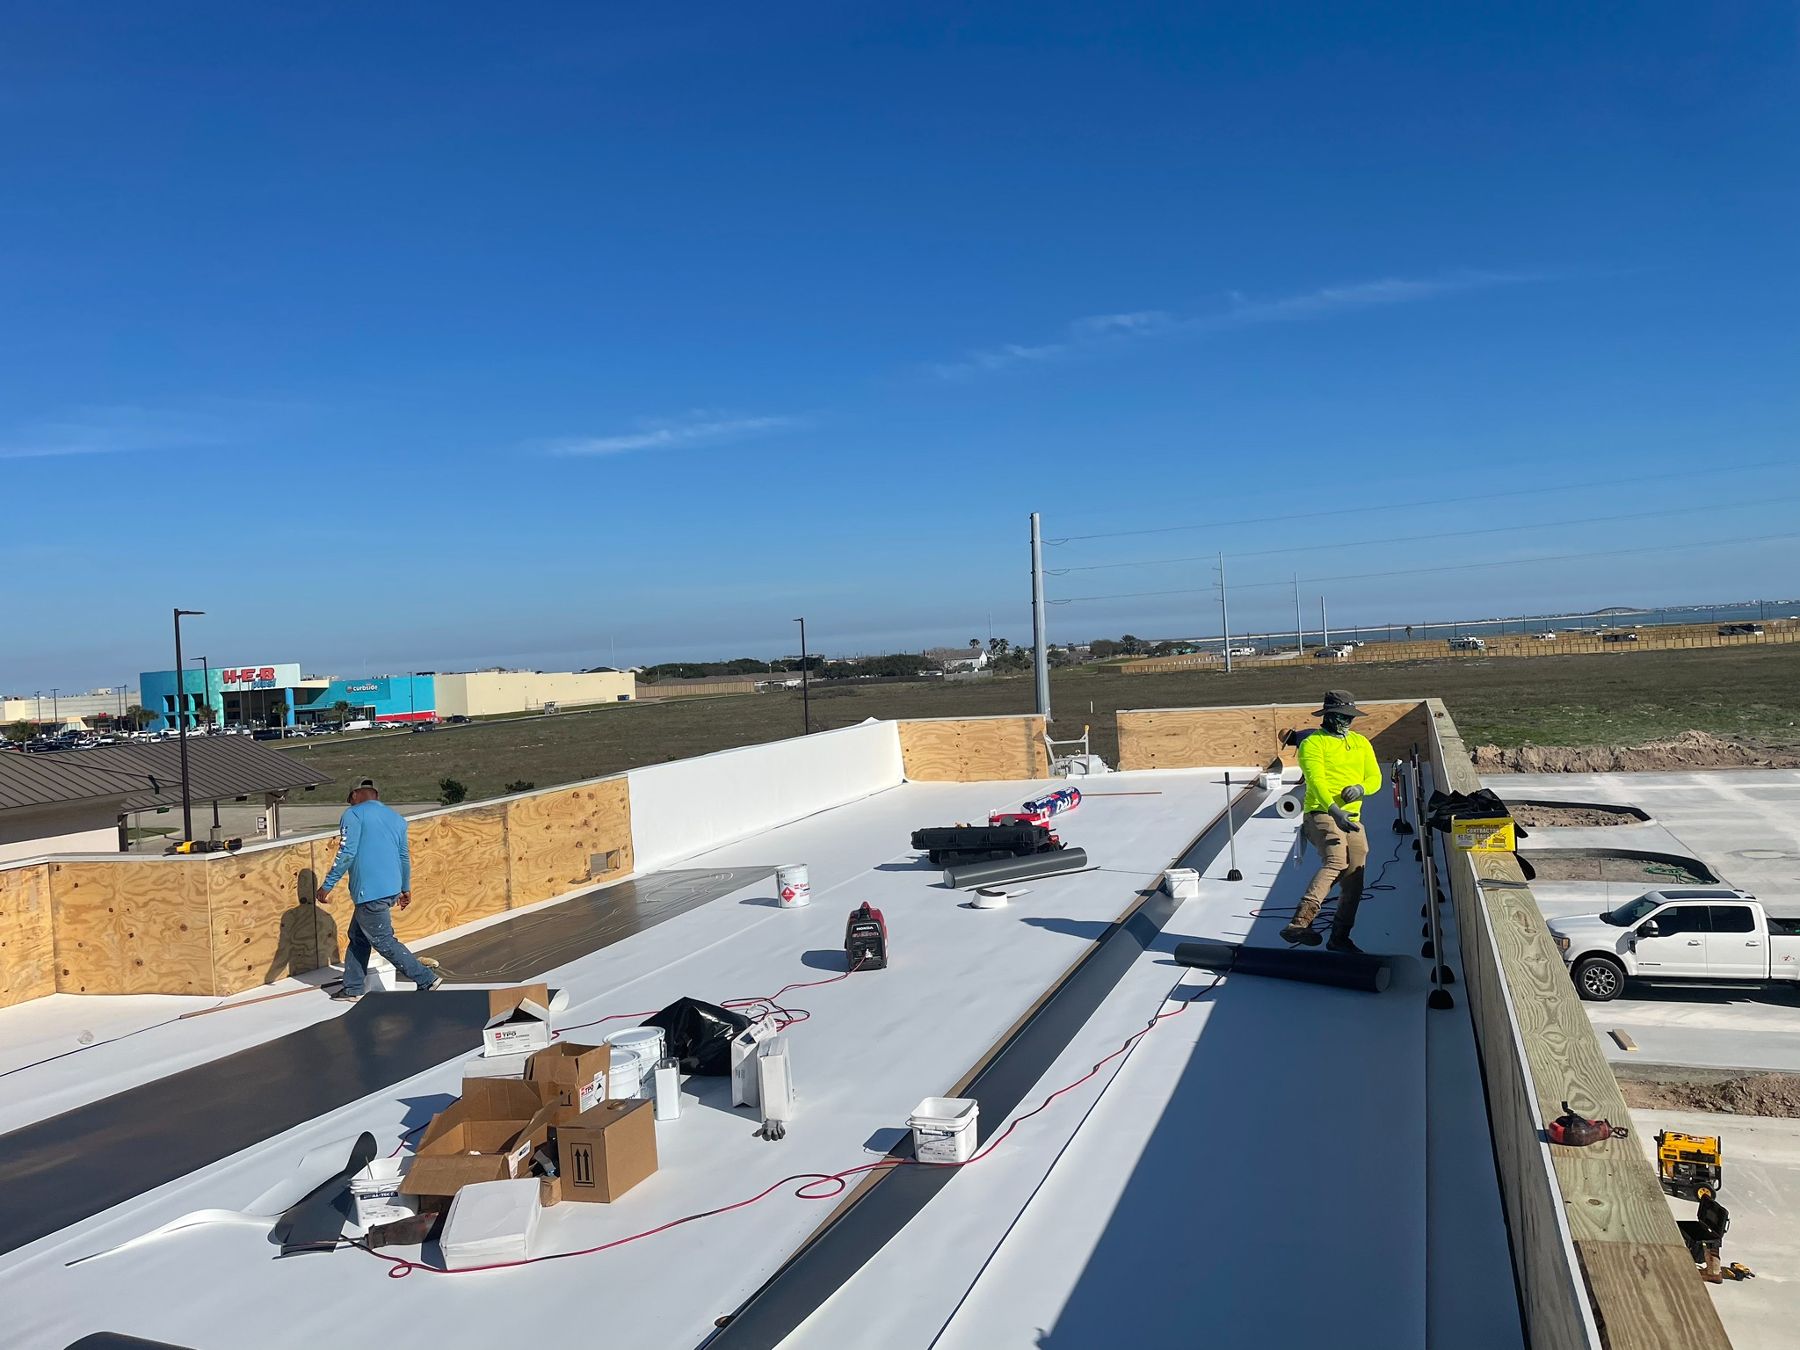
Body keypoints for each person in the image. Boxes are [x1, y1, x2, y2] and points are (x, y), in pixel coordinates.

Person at [316, 778, 442, 997]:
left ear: (354, 795)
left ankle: (426, 978)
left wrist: (327, 885)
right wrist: (404, 888)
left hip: (369, 891)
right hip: (390, 887)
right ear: (376, 795)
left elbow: (347, 853)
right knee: (358, 936)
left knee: (384, 941)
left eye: (350, 800)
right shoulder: (396, 818)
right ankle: (353, 987)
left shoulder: (352, 814)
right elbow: (403, 856)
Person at [1281, 691, 1383, 953]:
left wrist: (1361, 788)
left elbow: (1375, 778)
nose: (1346, 722)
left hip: (1353, 818)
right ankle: (1299, 923)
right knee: (1337, 859)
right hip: (1321, 813)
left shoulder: (1361, 743)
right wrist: (1334, 810)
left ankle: (1340, 938)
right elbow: (1316, 781)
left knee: (1355, 876)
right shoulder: (1313, 744)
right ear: (1327, 715)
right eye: (1341, 716)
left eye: (1349, 717)